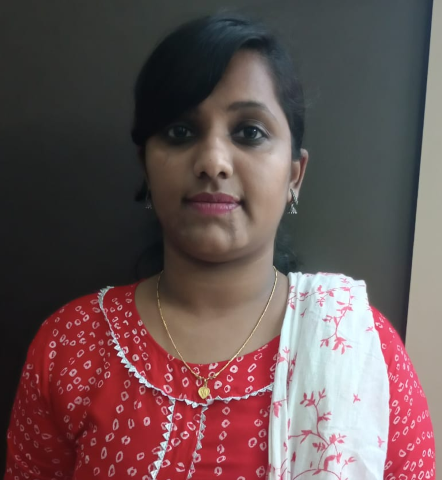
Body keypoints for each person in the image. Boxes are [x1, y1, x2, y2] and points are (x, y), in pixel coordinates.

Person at [4, 13, 435, 480]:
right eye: (181, 132)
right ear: (146, 166)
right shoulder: (72, 345)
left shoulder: (361, 350)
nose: (212, 161)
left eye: (249, 132)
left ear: (295, 175)